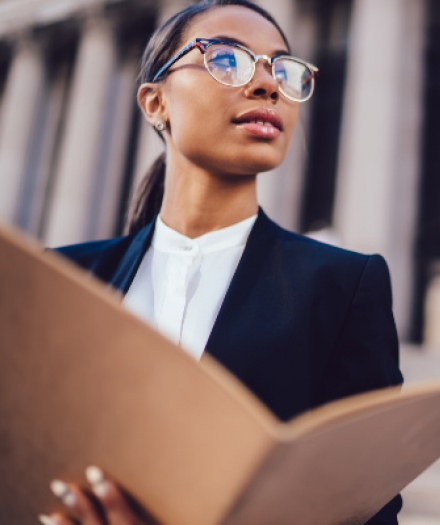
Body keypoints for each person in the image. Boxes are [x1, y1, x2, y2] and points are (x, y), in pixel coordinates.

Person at [39, 1, 403, 523]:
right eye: (228, 59)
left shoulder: (343, 287)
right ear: (155, 101)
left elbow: (367, 509)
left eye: (282, 69)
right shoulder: (65, 281)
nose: (267, 85)